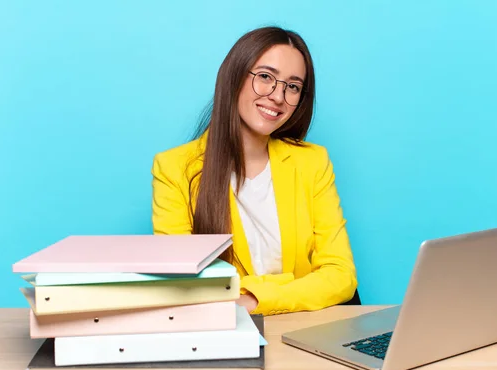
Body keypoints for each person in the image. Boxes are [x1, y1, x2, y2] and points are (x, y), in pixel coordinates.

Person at [151, 26, 357, 315]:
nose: (278, 96)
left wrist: (252, 298)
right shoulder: (174, 169)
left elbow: (341, 276)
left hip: (301, 330)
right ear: (234, 77)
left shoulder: (312, 162)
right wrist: (296, 284)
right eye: (265, 77)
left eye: (293, 86)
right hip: (225, 332)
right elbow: (184, 284)